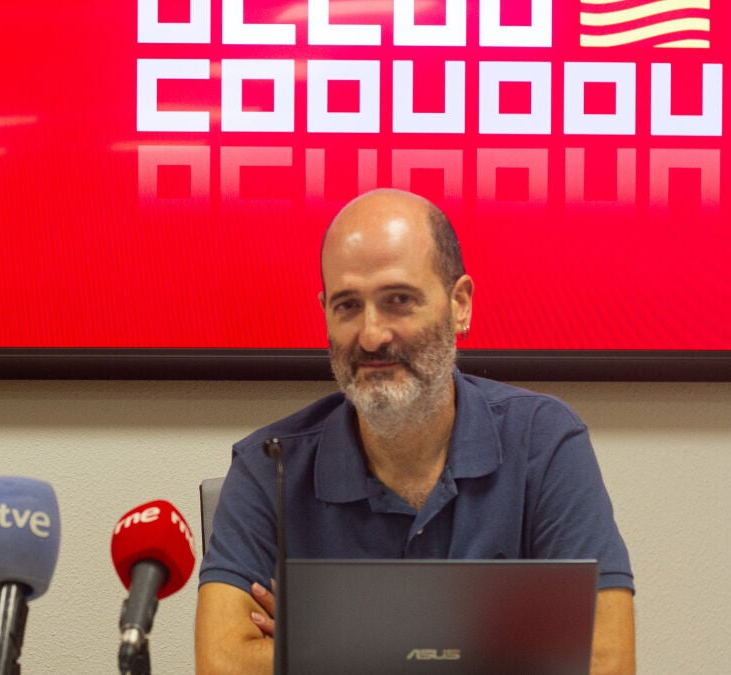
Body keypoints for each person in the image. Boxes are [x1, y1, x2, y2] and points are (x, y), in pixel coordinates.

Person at [194, 189, 635, 674]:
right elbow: (223, 663)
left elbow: (606, 662)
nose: (371, 335)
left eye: (398, 300)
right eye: (347, 305)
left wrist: (319, 645)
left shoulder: (543, 441)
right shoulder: (268, 464)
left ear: (459, 304)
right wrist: (504, 647)